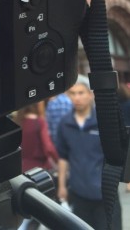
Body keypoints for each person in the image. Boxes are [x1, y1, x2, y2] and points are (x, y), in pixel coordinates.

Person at [56, 75, 122, 230]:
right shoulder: (65, 123)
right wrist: (61, 186)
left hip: (105, 195)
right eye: (73, 93)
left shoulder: (104, 121)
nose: (77, 97)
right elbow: (63, 157)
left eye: (81, 93)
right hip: (78, 193)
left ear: (91, 94)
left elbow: (120, 154)